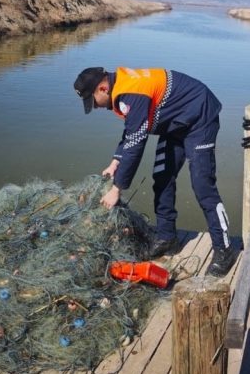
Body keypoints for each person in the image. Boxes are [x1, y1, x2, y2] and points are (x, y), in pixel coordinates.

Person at [73, 67, 239, 277]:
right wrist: (116, 161)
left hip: (199, 117)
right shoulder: (122, 88)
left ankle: (224, 249)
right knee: (161, 177)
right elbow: (132, 129)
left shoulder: (132, 92)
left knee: (202, 185)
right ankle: (167, 237)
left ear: (103, 88)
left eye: (93, 101)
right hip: (175, 123)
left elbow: (136, 143)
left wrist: (117, 189)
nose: (95, 107)